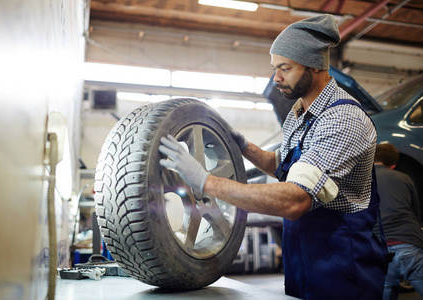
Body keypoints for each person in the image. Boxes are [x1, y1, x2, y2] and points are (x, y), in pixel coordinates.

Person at [159, 14, 388, 299]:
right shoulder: (299, 112)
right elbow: (287, 166)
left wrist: (206, 182)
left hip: (345, 267)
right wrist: (246, 148)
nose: (276, 77)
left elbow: (295, 199)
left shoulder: (343, 119)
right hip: (304, 263)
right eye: (274, 68)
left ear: (314, 65)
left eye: (285, 68)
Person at [373, 143, 423, 299]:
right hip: (409, 246)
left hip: (381, 252)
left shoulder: (362, 180)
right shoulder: (404, 178)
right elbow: (417, 214)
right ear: (393, 165)